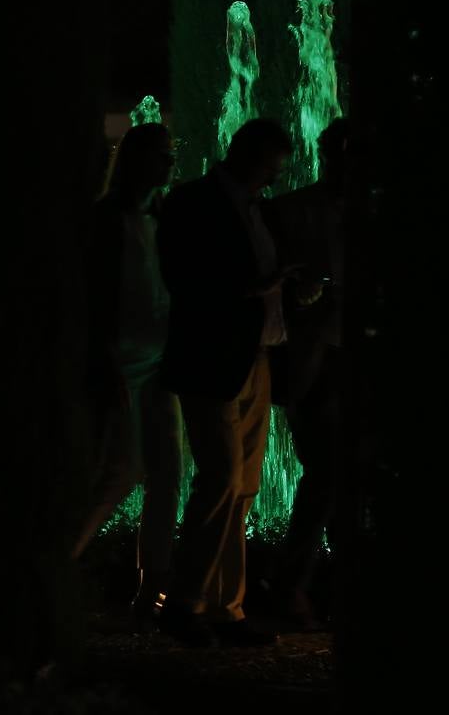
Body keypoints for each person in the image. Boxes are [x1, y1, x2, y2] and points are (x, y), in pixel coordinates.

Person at [155, 118, 298, 648]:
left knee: (241, 488)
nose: (271, 182)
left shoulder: (256, 209)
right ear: (245, 154)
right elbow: (184, 277)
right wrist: (249, 288)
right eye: (268, 171)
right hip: (211, 360)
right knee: (219, 481)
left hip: (256, 358)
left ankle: (225, 608)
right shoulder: (191, 201)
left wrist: (286, 293)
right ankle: (185, 605)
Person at [73, 122, 183, 623]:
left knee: (167, 474)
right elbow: (90, 295)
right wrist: (102, 358)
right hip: (124, 360)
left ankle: (152, 592)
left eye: (171, 154)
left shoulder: (160, 214)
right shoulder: (107, 218)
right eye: (162, 155)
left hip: (161, 360)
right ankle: (60, 562)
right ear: (136, 159)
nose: (170, 164)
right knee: (120, 472)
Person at [263, 119, 352, 630]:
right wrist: (300, 298)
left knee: (340, 475)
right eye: (334, 151)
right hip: (312, 360)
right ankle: (293, 585)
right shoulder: (289, 212)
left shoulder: (378, 212)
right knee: (327, 471)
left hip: (352, 360)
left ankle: (307, 585)